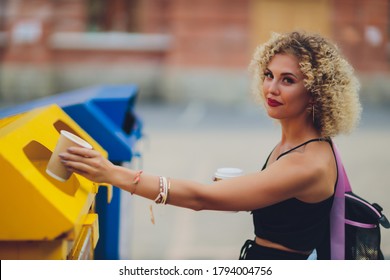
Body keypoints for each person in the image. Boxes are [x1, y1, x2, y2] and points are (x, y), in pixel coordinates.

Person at [58, 31, 362, 260]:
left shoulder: (307, 161)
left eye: (287, 80)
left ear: (314, 93)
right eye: (269, 75)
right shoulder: (295, 143)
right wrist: (242, 188)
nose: (271, 87)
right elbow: (284, 206)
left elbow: (201, 197)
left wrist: (112, 174)